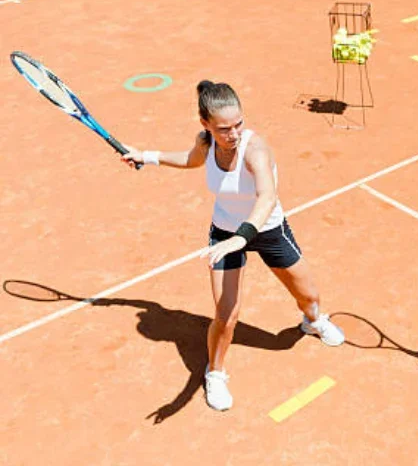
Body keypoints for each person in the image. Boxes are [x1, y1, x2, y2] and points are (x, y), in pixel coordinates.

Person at [121, 80, 344, 412]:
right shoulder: (206, 142)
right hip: (225, 234)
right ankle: (215, 373)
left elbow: (267, 196)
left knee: (309, 296)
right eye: (224, 128)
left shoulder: (256, 150)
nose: (234, 133)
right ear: (206, 124)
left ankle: (313, 321)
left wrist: (244, 235)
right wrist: (146, 156)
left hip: (266, 230)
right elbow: (191, 159)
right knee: (226, 315)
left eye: (238, 124)